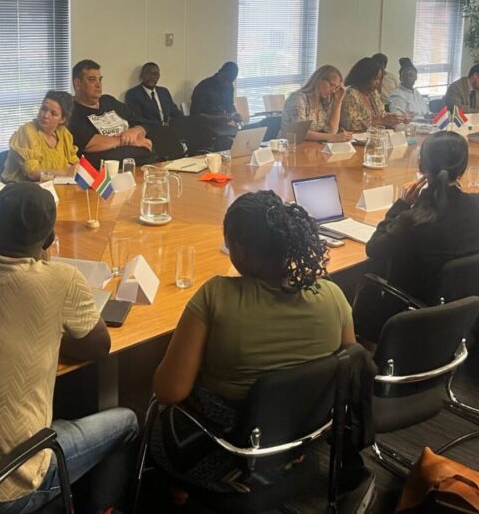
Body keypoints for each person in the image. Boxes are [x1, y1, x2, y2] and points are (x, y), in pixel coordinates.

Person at [0, 183, 138, 513]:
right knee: (127, 423)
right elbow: (97, 347)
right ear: (49, 242)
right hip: (3, 490)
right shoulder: (60, 279)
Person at [151, 190, 355, 493]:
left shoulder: (216, 296)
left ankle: (177, 491)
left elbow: (169, 391)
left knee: (153, 410)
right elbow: (348, 367)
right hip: (302, 439)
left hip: (228, 450)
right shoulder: (332, 296)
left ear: (241, 252)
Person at [366, 131, 479, 303]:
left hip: (409, 314)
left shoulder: (415, 219)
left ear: (421, 166)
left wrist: (401, 205)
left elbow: (374, 248)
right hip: (460, 313)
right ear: (463, 168)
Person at [68, 59, 153, 168]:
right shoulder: (71, 110)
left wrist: (135, 131)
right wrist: (127, 140)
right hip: (108, 170)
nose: (98, 85)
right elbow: (88, 143)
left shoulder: (109, 101)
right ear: (78, 83)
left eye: (100, 80)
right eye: (92, 80)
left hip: (144, 163)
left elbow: (141, 124)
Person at [2, 90, 79, 183]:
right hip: (20, 190)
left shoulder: (64, 133)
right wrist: (65, 172)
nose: (45, 115)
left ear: (62, 119)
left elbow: (75, 164)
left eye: (53, 113)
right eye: (44, 108)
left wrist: (76, 169)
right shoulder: (28, 131)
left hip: (53, 188)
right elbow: (32, 173)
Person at [282, 65, 352, 142]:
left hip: (311, 147)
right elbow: (301, 132)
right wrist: (333, 137)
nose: (333, 91)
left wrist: (338, 102)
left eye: (336, 88)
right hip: (289, 147)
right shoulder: (297, 98)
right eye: (332, 85)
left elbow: (332, 131)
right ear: (319, 79)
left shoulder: (324, 101)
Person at [340, 56, 403, 132]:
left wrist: (394, 118)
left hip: (375, 136)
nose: (378, 83)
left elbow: (381, 113)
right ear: (365, 77)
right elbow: (351, 125)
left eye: (380, 79)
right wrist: (380, 121)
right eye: (375, 79)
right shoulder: (351, 94)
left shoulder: (373, 93)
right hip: (355, 139)